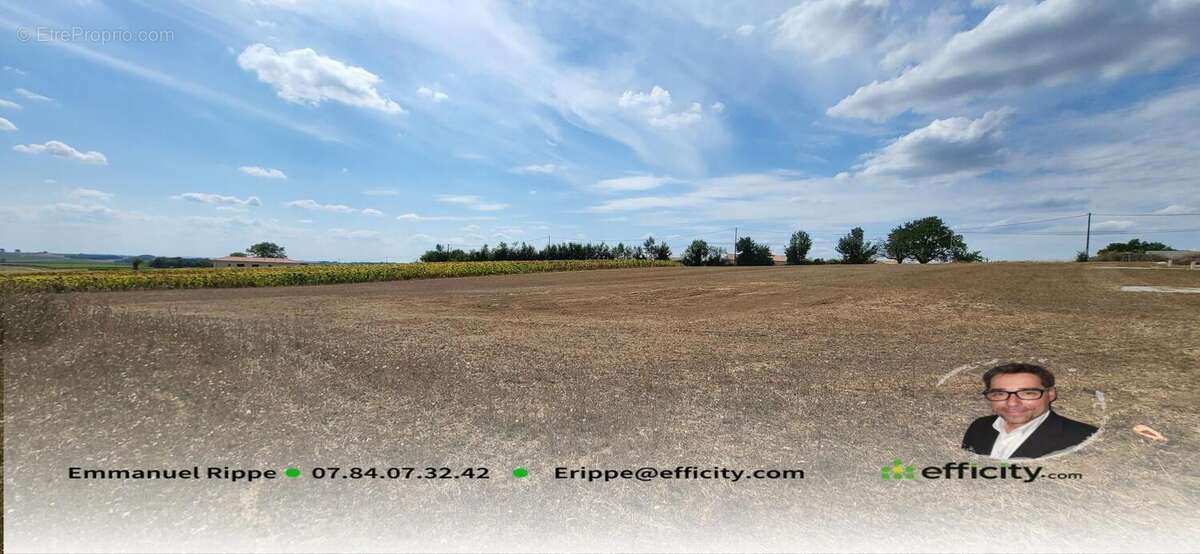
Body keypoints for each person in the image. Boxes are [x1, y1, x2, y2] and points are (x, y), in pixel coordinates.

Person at [961, 363, 1098, 459]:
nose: (1012, 403)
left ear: (1050, 394)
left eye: (1028, 393)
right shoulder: (979, 426)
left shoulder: (1086, 438)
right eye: (1000, 394)